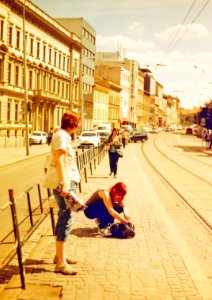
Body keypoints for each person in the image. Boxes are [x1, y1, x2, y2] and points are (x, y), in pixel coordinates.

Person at [50, 111, 80, 275]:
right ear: (74, 124)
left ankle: (60, 256)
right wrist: (64, 184)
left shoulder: (62, 135)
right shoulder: (61, 137)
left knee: (65, 217)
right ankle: (60, 263)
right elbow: (59, 160)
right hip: (65, 183)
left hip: (66, 181)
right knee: (66, 219)